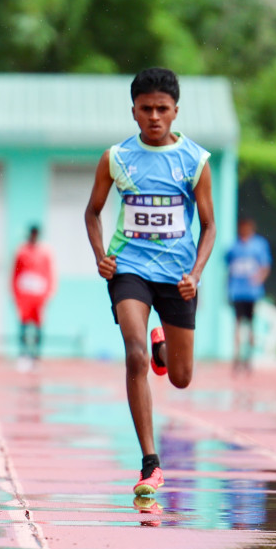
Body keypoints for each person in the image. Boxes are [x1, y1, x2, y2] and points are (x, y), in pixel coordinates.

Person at [85, 67, 215, 498]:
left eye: (162, 109)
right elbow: (93, 211)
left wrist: (195, 274)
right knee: (135, 356)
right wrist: (102, 256)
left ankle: (163, 344)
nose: (154, 117)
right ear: (134, 112)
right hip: (130, 269)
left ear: (176, 111)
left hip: (177, 277)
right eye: (146, 109)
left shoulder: (195, 161)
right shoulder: (117, 158)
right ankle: (150, 464)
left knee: (180, 377)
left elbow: (210, 226)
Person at [225, 217, 271, 372]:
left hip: (251, 293)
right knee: (237, 325)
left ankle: (249, 357)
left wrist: (258, 279)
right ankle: (237, 356)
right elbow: (229, 269)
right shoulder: (234, 247)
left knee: (251, 325)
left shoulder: (259, 245)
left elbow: (265, 266)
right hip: (237, 292)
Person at [12, 225, 56, 370]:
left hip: (39, 294)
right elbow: (15, 273)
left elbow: (49, 273)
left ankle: (36, 356)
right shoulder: (21, 250)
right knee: (24, 325)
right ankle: (23, 355)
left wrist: (49, 293)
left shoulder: (45, 251)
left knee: (38, 326)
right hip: (24, 293)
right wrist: (15, 293)